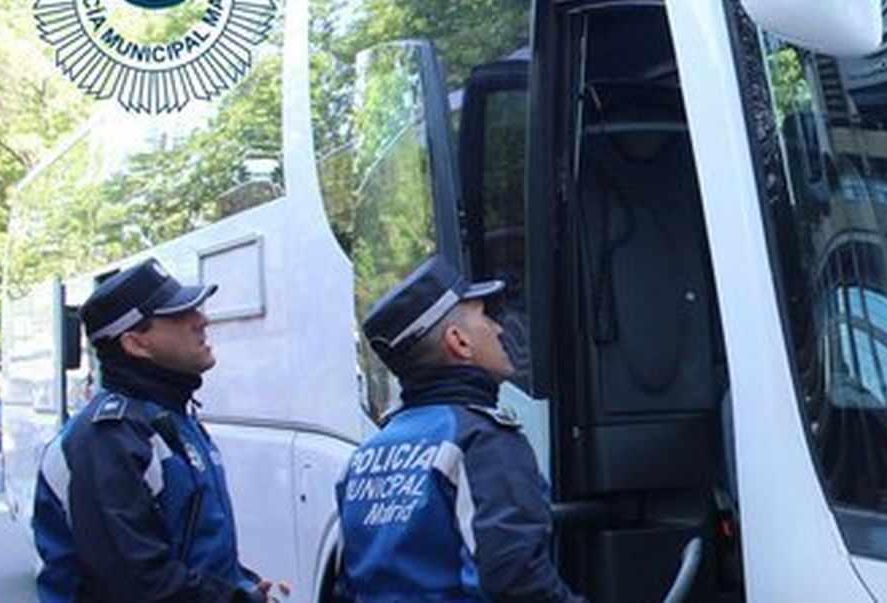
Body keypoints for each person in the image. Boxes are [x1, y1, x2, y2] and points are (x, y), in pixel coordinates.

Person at [336, 254, 586, 602]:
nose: (499, 328)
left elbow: (345, 588)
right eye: (485, 316)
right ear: (459, 341)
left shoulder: (364, 457)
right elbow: (513, 583)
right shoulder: (480, 440)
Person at [32, 258, 282, 603]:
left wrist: (245, 584)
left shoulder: (171, 419)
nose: (202, 320)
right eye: (179, 315)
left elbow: (197, 549)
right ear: (135, 343)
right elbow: (134, 584)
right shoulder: (107, 438)